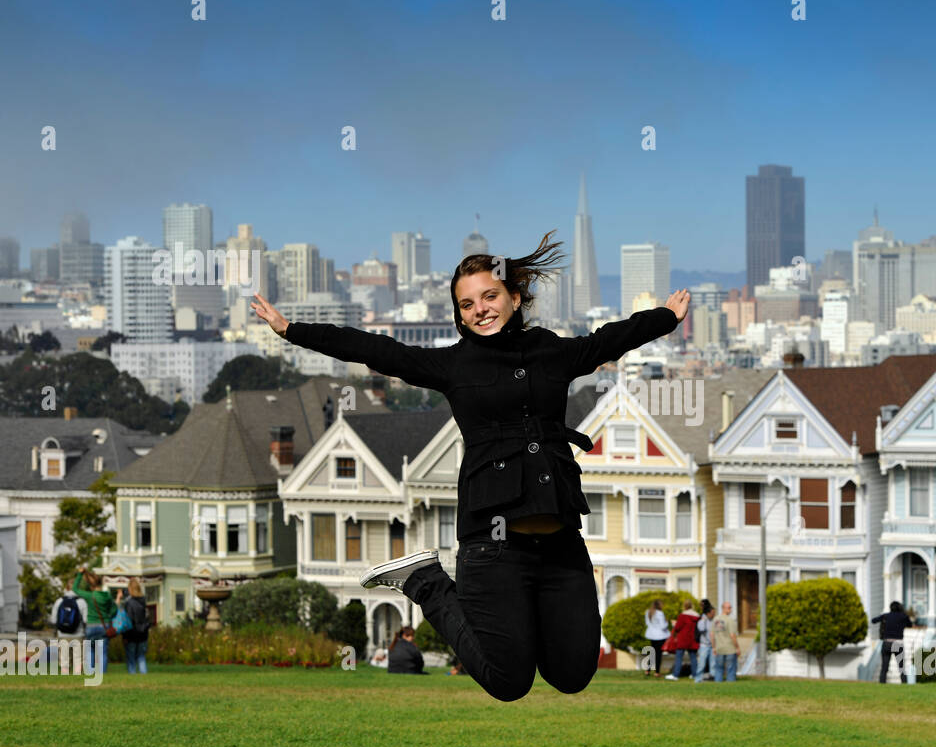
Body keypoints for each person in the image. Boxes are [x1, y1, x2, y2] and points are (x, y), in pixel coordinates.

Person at [255, 232, 689, 702]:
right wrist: (292, 329)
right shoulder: (453, 366)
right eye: (466, 304)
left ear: (514, 297)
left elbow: (612, 338)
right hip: (493, 544)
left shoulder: (554, 352)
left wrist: (665, 317)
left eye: (489, 296)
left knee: (572, 674)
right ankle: (424, 580)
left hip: (562, 543)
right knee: (508, 682)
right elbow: (375, 350)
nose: (479, 309)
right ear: (459, 314)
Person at [72, 568, 116, 677]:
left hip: (91, 626)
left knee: (90, 650)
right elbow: (114, 610)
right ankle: (102, 675)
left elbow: (75, 589)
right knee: (103, 653)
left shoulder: (90, 596)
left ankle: (90, 673)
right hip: (104, 626)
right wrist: (109, 616)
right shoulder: (108, 596)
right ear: (101, 582)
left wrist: (80, 574)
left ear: (91, 585)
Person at [48, 579, 87, 675]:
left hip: (62, 634)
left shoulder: (59, 601)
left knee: (64, 660)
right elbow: (86, 620)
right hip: (79, 634)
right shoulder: (82, 602)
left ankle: (65, 678)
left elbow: (53, 620)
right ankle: (77, 678)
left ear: (66, 588)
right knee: (78, 659)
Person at [871, 600, 914, 684]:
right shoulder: (903, 616)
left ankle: (882, 684)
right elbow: (910, 625)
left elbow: (873, 620)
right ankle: (904, 683)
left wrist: (883, 620)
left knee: (884, 667)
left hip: (887, 643)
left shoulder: (886, 616)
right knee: (901, 667)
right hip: (898, 644)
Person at [121, 578, 152, 675]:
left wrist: (125, 636)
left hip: (132, 634)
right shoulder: (143, 601)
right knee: (141, 657)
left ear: (130, 589)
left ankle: (132, 676)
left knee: (131, 658)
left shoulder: (129, 603)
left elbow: (128, 621)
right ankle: (144, 675)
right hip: (143, 634)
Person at [665, 599, 700, 681]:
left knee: (679, 657)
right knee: (693, 658)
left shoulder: (682, 616)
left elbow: (677, 628)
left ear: (684, 606)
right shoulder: (697, 616)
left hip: (683, 639)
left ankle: (676, 675)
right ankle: (694, 674)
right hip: (693, 639)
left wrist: (674, 624)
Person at [710, 602, 740, 682]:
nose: (730, 609)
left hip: (719, 648)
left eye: (730, 607)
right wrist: (737, 648)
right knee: (730, 670)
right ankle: (730, 688)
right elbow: (732, 635)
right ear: (723, 608)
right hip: (730, 649)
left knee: (719, 670)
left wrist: (714, 647)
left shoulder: (715, 619)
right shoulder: (729, 620)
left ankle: (718, 687)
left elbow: (712, 634)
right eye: (729, 607)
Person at [643, 599, 670, 677]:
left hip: (651, 634)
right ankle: (657, 672)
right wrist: (667, 622)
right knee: (658, 654)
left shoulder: (648, 612)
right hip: (660, 636)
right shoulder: (660, 613)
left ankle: (647, 670)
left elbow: (647, 623)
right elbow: (663, 626)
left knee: (652, 652)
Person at [694, 600, 716, 683]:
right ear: (708, 613)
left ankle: (712, 677)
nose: (714, 614)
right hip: (704, 645)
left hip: (713, 645)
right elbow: (701, 630)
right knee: (701, 663)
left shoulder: (714, 621)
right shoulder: (702, 621)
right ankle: (698, 679)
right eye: (712, 613)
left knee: (713, 663)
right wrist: (704, 621)